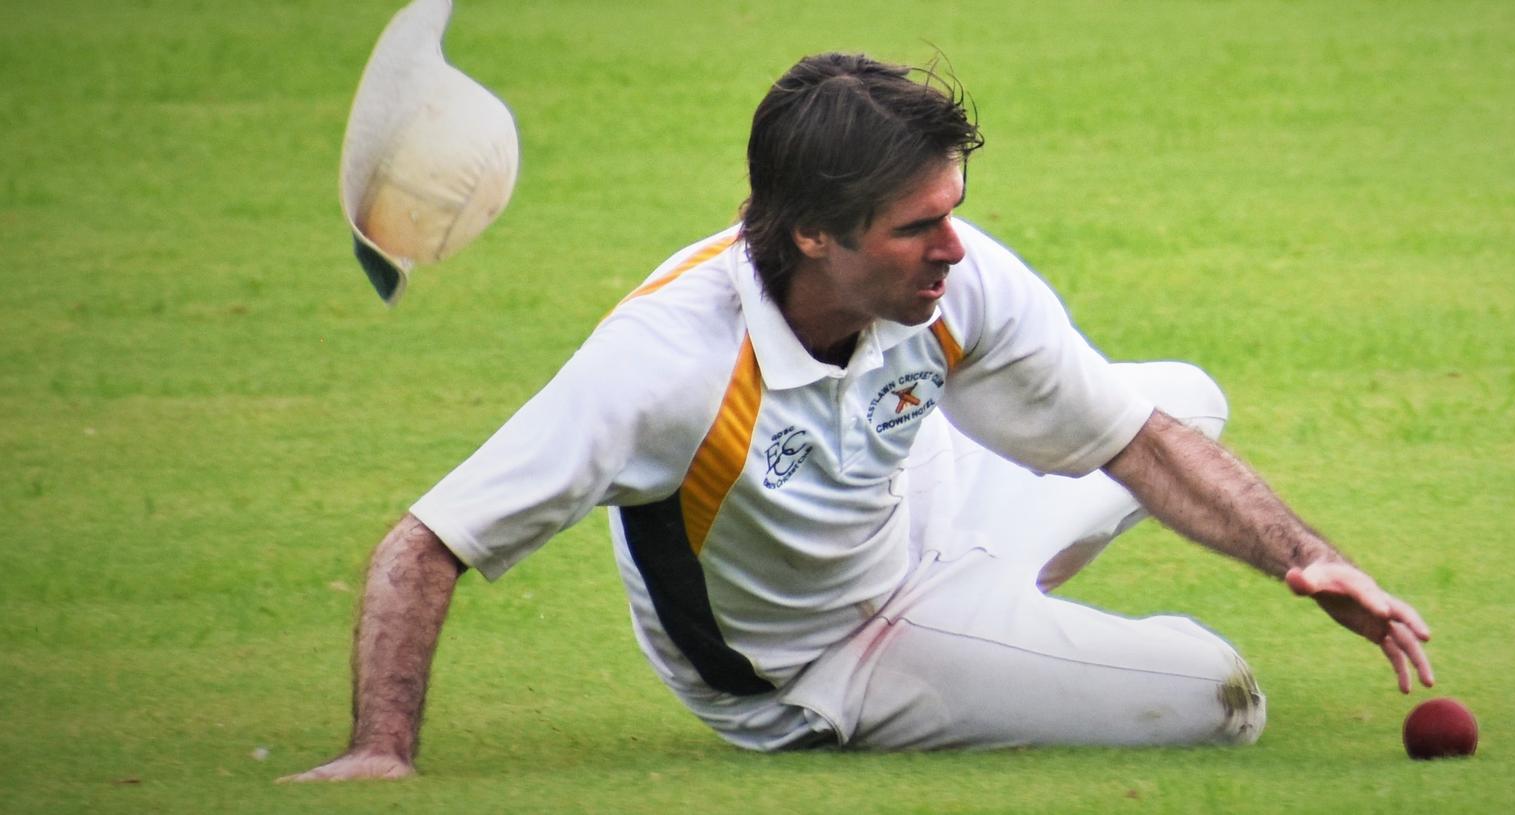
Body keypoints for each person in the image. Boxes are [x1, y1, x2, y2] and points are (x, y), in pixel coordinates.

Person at [285, 52, 1432, 781]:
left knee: (1182, 399)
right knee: (1218, 694)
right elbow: (426, 542)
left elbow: (1136, 441)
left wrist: (1308, 557)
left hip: (919, 512)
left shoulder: (952, 277)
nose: (953, 247)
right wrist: (379, 751)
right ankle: (994, 646)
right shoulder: (658, 367)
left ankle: (1003, 629)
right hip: (824, 659)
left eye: (954, 211)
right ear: (812, 236)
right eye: (915, 226)